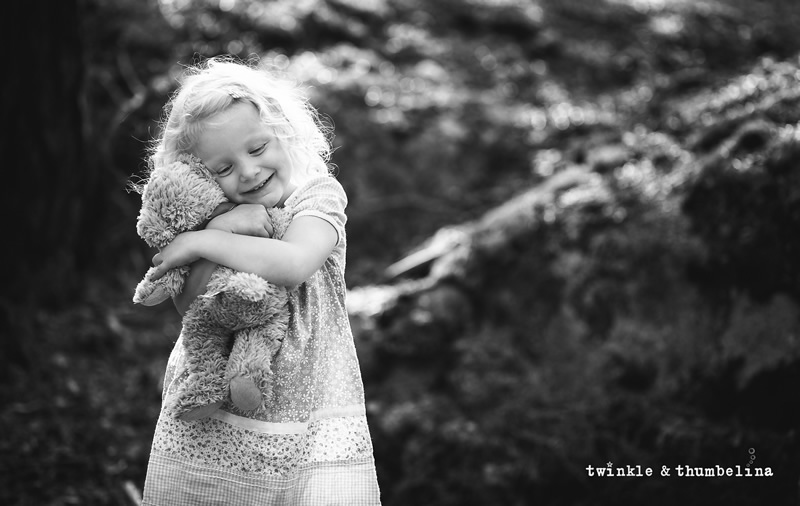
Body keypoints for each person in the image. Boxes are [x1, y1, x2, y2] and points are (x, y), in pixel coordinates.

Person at [139, 56, 381, 505]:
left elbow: (291, 263)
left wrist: (200, 243)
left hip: (308, 408)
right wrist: (217, 229)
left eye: (256, 149)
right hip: (215, 412)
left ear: (284, 132)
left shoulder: (318, 196)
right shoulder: (215, 218)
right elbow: (189, 305)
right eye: (223, 169)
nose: (247, 173)